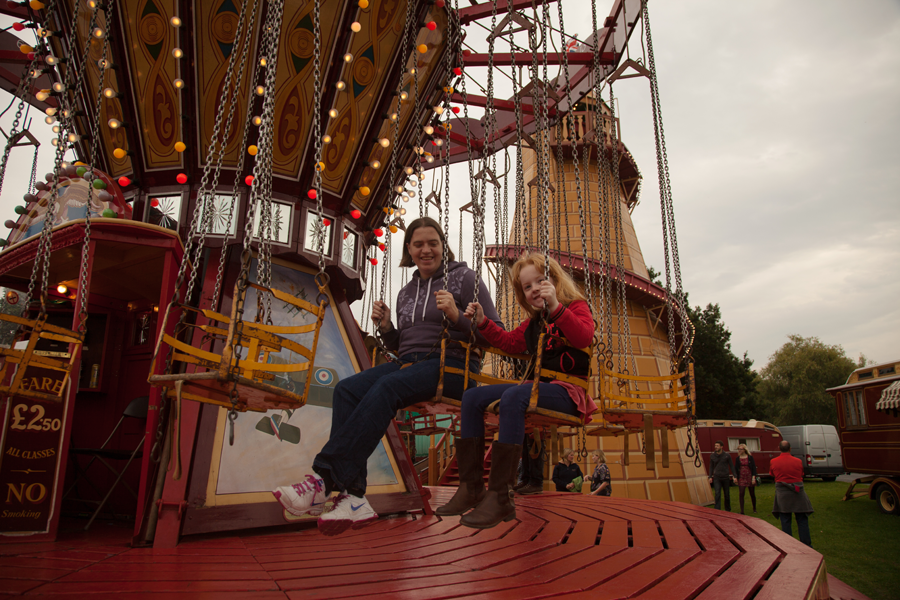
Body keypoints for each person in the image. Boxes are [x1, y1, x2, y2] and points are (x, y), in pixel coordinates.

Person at [272, 217, 501, 536]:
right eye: (418, 244)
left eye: (432, 243)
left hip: (453, 367)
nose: (426, 250)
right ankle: (354, 497)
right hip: (411, 365)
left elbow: (496, 334)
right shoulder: (406, 292)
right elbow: (403, 346)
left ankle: (324, 479)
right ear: (409, 249)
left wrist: (456, 318)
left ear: (442, 246)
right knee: (347, 390)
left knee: (387, 386)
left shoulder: (465, 279)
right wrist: (387, 328)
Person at [435, 253, 597, 529]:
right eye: (527, 286)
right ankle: (471, 487)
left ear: (555, 281)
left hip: (568, 392)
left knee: (514, 395)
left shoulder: (575, 307)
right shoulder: (534, 322)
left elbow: (584, 336)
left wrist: (557, 307)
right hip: (536, 389)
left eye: (540, 281)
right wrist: (483, 322)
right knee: (472, 397)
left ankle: (500, 495)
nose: (534, 289)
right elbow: (509, 343)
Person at [770, 440, 814, 547]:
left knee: (785, 519)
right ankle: (806, 545)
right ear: (790, 449)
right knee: (802, 519)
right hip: (797, 492)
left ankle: (789, 545)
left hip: (783, 494)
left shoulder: (774, 461)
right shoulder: (798, 461)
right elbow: (801, 473)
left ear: (779, 448)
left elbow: (772, 474)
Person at [708, 440, 736, 511]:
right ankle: (717, 509)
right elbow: (711, 467)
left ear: (721, 447)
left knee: (726, 494)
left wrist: (735, 476)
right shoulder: (712, 456)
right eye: (715, 446)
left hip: (725, 477)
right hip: (717, 477)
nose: (716, 447)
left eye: (717, 446)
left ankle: (728, 509)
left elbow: (731, 466)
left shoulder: (727, 455)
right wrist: (710, 476)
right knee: (717, 493)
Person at [736, 443, 758, 514]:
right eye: (738, 449)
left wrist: (753, 478)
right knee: (741, 493)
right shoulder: (738, 459)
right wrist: (735, 477)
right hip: (741, 477)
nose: (739, 450)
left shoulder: (750, 458)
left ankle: (754, 508)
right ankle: (742, 510)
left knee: (752, 493)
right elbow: (736, 468)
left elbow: (753, 468)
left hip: (749, 476)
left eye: (740, 449)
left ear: (744, 450)